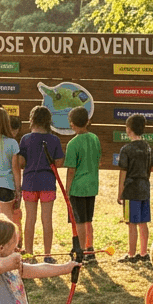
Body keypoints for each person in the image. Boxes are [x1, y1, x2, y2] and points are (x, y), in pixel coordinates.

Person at [18, 106, 64, 262]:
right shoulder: (54, 139)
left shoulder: (25, 139)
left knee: (30, 219)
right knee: (47, 219)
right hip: (47, 183)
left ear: (31, 120)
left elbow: (21, 162)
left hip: (30, 183)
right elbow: (58, 162)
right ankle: (47, 254)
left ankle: (29, 253)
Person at [118, 113, 153, 263]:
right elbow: (152, 168)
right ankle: (143, 253)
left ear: (128, 130)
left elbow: (123, 171)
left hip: (131, 189)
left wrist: (120, 192)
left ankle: (131, 254)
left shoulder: (126, 149)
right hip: (144, 187)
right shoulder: (148, 148)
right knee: (143, 222)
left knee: (131, 223)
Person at [64, 106, 101, 261]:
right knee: (88, 219)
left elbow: (71, 170)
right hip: (92, 185)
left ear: (72, 124)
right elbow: (98, 160)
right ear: (87, 121)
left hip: (78, 188)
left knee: (79, 220)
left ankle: (81, 249)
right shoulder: (94, 138)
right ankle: (89, 248)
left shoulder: (73, 144)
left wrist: (67, 189)